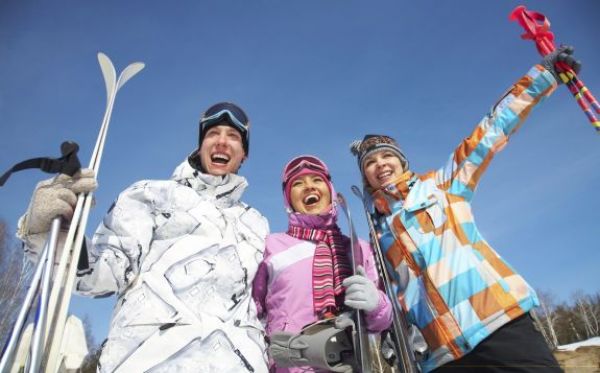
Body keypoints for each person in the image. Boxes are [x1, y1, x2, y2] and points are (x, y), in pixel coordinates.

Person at [349, 46, 581, 372]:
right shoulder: (377, 236)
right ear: (366, 178)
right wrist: (396, 354)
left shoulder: (443, 186)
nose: (379, 164)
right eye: (370, 162)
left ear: (402, 161)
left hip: (499, 324)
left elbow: (490, 131)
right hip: (441, 355)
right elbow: (390, 303)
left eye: (386, 156)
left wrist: (544, 77)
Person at [17, 102, 270, 372]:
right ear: (200, 146)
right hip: (150, 361)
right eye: (212, 134)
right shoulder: (150, 195)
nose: (221, 142)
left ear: (244, 154)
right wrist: (50, 231)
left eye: (233, 136)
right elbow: (97, 276)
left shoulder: (257, 225)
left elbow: (267, 306)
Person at [252, 155, 393, 372]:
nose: (309, 187)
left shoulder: (357, 248)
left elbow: (382, 322)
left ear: (331, 191)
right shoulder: (270, 247)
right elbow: (252, 312)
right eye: (298, 184)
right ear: (288, 200)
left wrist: (377, 304)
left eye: (317, 180)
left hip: (352, 364)